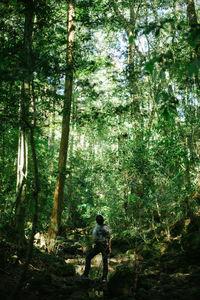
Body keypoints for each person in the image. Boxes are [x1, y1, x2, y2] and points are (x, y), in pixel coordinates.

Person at [81, 214, 111, 282]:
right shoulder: (107, 227)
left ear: (97, 221)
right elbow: (109, 238)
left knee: (88, 257)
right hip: (105, 246)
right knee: (105, 262)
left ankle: (86, 274)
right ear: (103, 220)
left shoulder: (96, 228)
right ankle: (104, 278)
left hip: (98, 246)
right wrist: (109, 247)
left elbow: (94, 239)